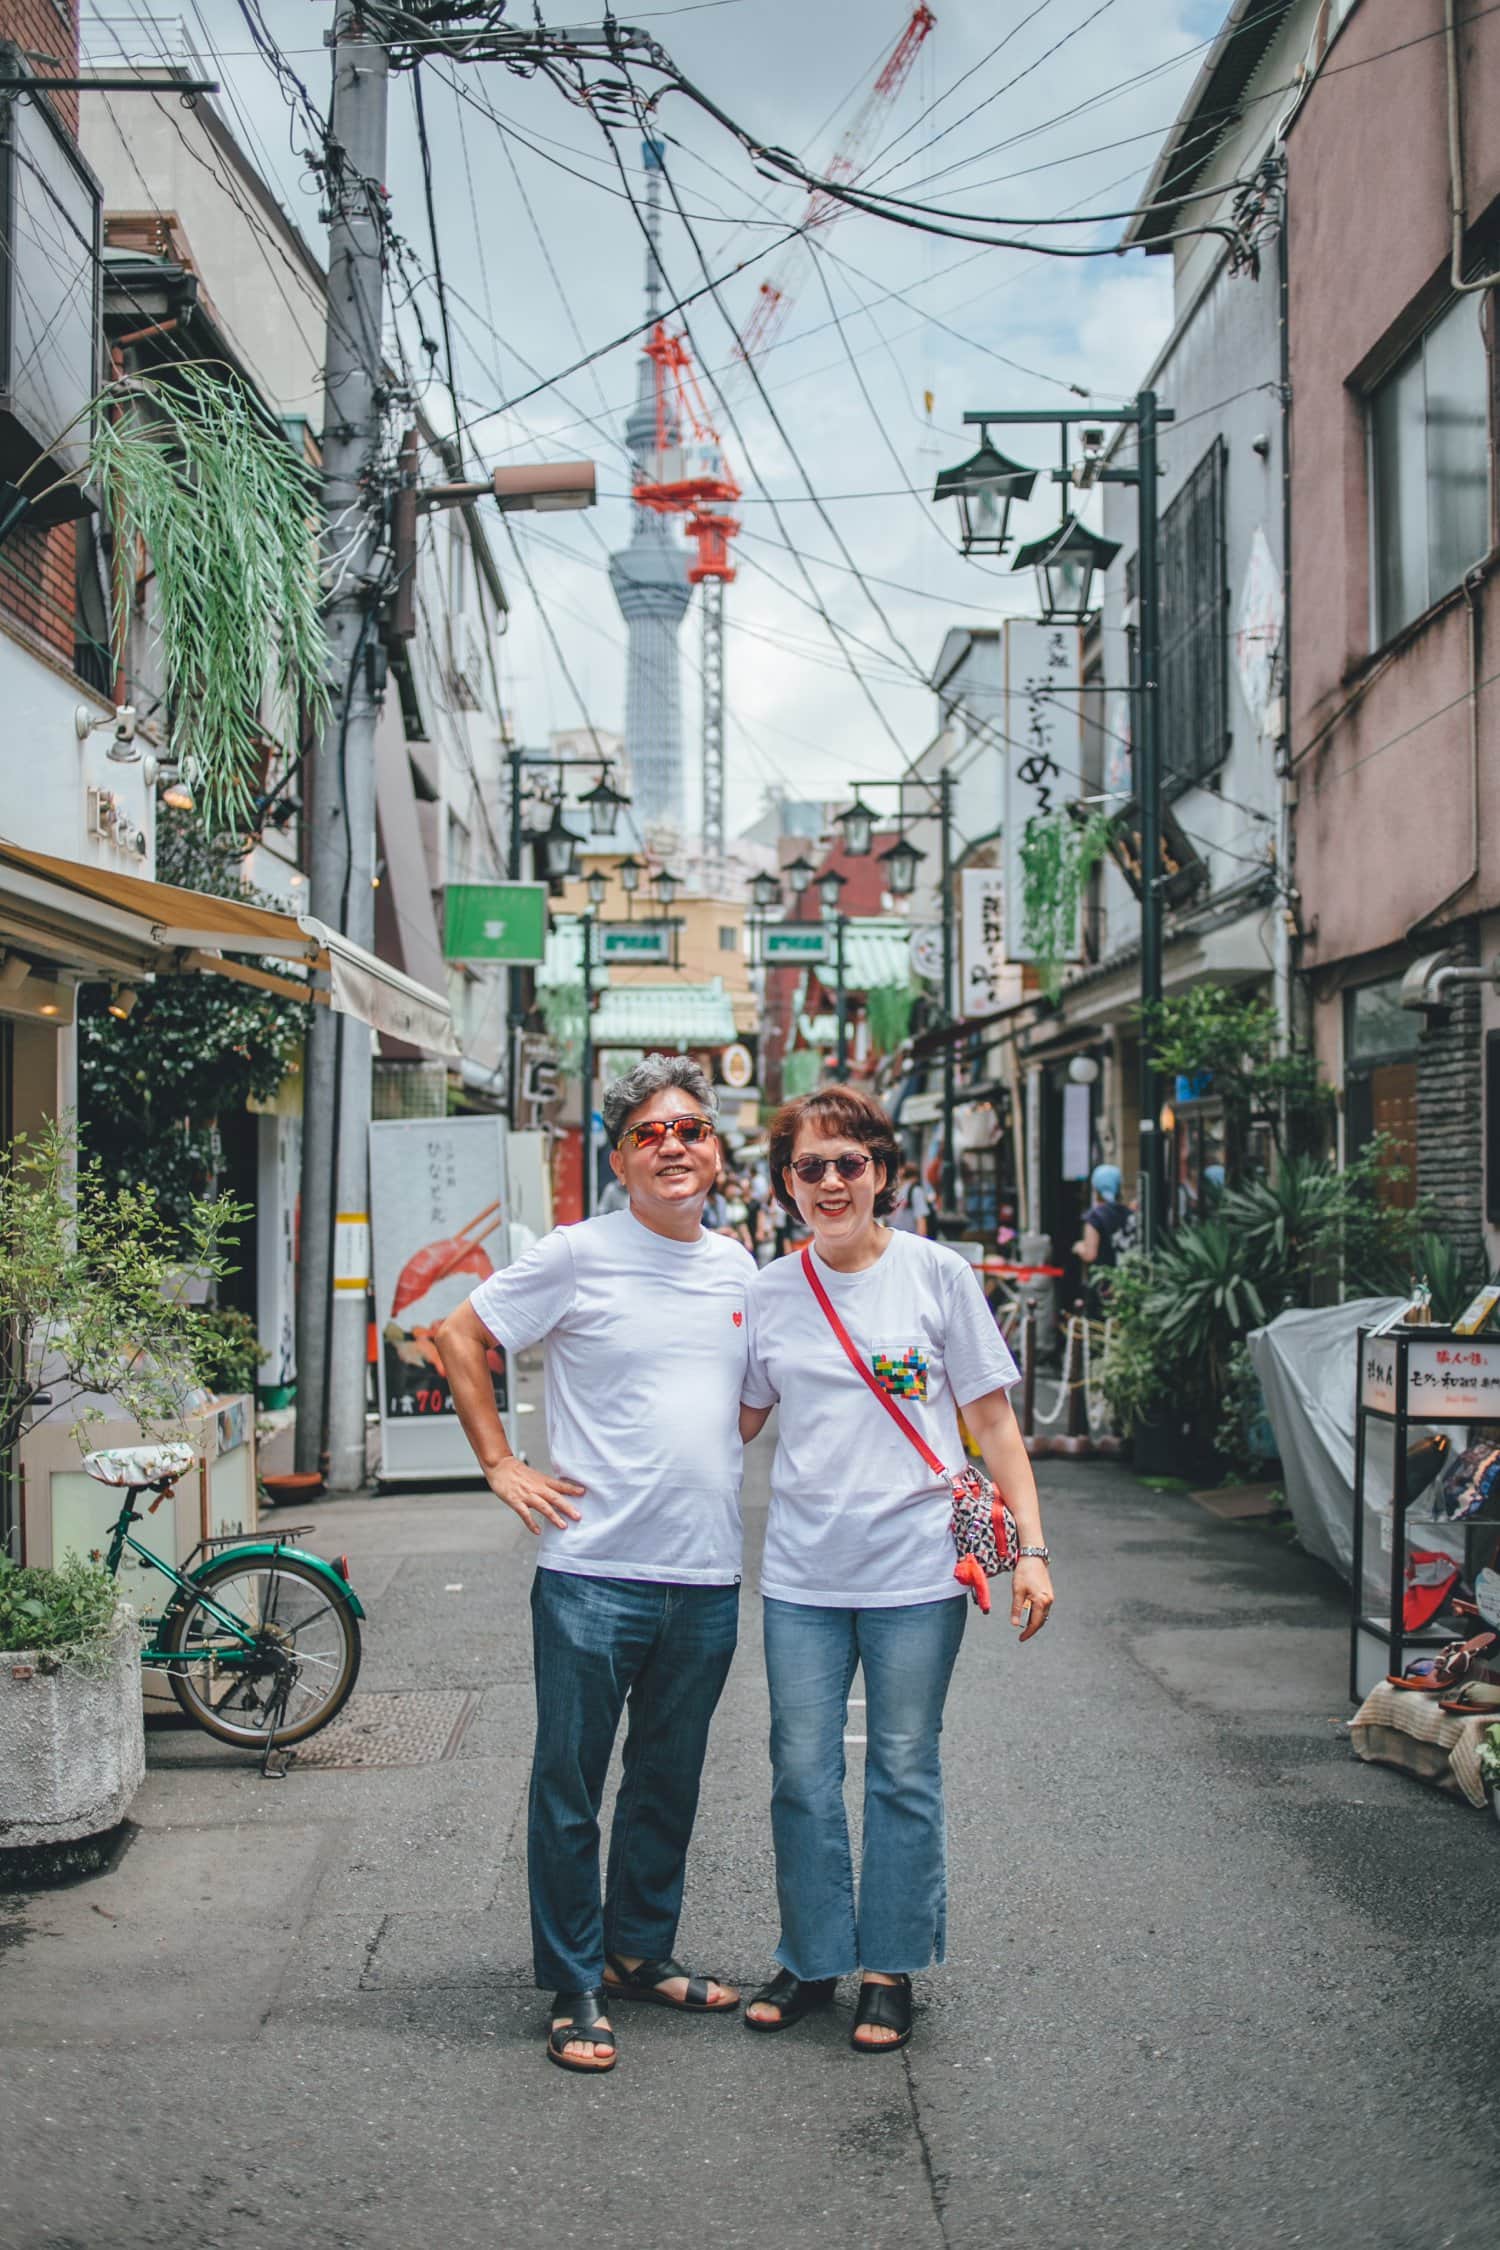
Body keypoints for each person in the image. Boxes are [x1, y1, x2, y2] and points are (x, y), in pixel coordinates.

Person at [436, 1056, 754, 2076]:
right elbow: (456, 1333)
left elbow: (751, 1397)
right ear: (619, 1158)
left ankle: (637, 1952)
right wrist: (499, 1463)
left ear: (716, 1153)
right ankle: (574, 1981)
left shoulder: (741, 1268)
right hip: (591, 1572)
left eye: (691, 1131)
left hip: (704, 1575)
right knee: (570, 1784)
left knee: (668, 1781)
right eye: (651, 1133)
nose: (674, 1146)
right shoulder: (577, 1254)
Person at [737, 1086, 1053, 2055]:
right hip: (802, 1573)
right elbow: (736, 1419)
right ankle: (814, 1954)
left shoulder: (938, 1275)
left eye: (849, 1164)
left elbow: (993, 1420)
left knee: (905, 1766)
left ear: (883, 1172)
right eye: (810, 1168)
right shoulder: (767, 1292)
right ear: (786, 1183)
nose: (831, 1183)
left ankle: (891, 1966)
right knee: (800, 1770)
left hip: (919, 1570)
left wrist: (1032, 1549)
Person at [1073, 1162, 1138, 1312]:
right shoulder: (1128, 1213)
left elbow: (1090, 1254)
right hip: (1125, 1283)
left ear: (1096, 1189)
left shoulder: (1095, 1216)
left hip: (1102, 1285)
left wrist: (1078, 1247)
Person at [886, 1159, 932, 1238]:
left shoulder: (915, 1191)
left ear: (902, 1170)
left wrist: (919, 1247)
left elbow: (921, 1224)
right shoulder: (889, 1192)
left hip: (909, 1243)